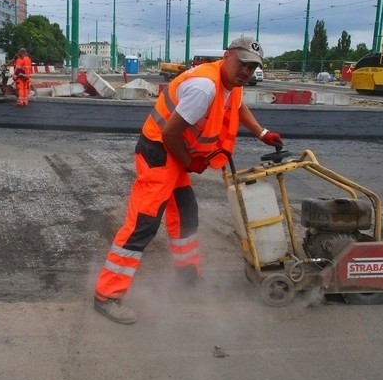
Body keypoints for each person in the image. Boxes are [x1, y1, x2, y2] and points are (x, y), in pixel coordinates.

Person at [93, 36, 283, 324]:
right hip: (160, 152)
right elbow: (170, 133)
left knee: (185, 215)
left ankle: (187, 279)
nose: (247, 70)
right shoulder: (204, 88)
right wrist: (189, 162)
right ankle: (107, 295)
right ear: (227, 55)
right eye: (243, 63)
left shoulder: (230, 83)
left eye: (253, 67)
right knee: (142, 225)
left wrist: (262, 132)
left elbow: (237, 105)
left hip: (175, 152)